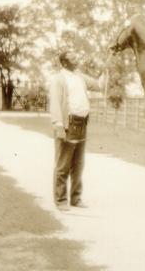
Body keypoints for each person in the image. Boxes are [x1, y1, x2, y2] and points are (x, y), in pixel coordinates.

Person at [48, 52, 105, 213]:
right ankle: (60, 200)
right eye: (73, 58)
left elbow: (97, 85)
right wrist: (58, 125)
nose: (77, 59)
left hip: (82, 124)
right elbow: (55, 103)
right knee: (63, 164)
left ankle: (76, 198)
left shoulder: (79, 77)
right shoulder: (58, 79)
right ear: (64, 63)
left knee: (78, 164)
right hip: (68, 124)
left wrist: (105, 69)